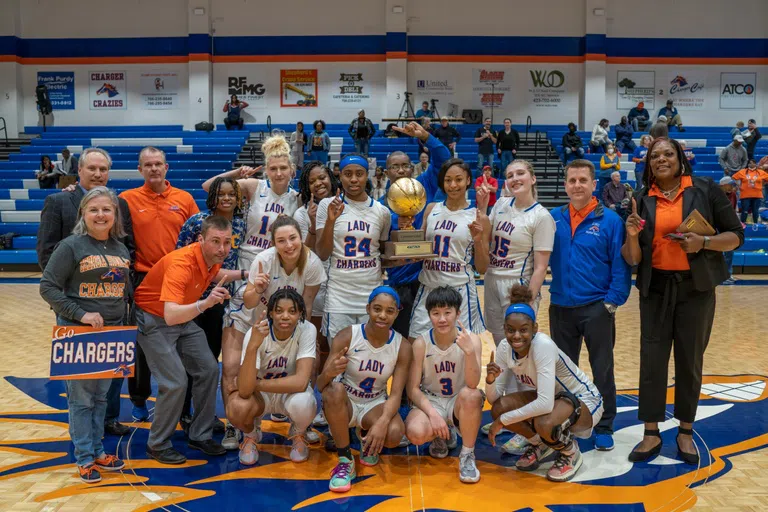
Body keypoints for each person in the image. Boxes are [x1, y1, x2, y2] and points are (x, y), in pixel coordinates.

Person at [621, 137, 743, 465]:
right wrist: (631, 235)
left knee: (689, 361)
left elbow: (736, 236)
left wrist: (703, 242)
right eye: (655, 155)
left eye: (668, 154)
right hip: (655, 289)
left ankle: (686, 431)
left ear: (679, 158)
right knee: (652, 359)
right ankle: (651, 432)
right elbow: (632, 258)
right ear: (648, 163)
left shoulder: (705, 190)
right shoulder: (641, 198)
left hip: (696, 290)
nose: (662, 159)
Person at [201, 134, 300, 450]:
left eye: (284, 167)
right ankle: (235, 423)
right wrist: (237, 173)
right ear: (267, 169)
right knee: (232, 361)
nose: (279, 172)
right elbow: (209, 188)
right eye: (273, 167)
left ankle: (286, 414)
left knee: (279, 354)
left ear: (292, 169)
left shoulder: (298, 198)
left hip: (282, 279)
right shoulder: (254, 187)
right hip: (246, 274)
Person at [36, 147, 134, 437]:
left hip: (112, 309)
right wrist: (70, 301)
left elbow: (126, 249)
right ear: (78, 171)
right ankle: (83, 445)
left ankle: (105, 425)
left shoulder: (119, 205)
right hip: (77, 309)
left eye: (103, 169)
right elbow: (46, 253)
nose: (97, 174)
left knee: (108, 382)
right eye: (91, 168)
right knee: (81, 388)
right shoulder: (59, 201)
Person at [133, 216, 232, 464]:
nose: (222, 249)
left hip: (182, 319)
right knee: (175, 382)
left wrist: (247, 273)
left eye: (227, 242)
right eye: (216, 242)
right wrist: (207, 303)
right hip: (155, 319)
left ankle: (199, 434)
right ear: (201, 240)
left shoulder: (211, 260)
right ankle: (157, 444)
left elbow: (221, 273)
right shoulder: (182, 263)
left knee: (209, 369)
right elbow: (171, 313)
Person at [548, 159, 631, 452]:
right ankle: (569, 420)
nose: (577, 185)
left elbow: (621, 267)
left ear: (594, 185)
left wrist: (611, 303)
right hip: (560, 307)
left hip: (597, 307)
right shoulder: (553, 218)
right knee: (564, 372)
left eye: (583, 180)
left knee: (602, 369)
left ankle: (605, 424)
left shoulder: (609, 220)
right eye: (572, 180)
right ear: (565, 185)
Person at [485, 284, 604, 483]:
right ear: (504, 329)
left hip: (584, 401)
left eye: (523, 330)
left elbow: (545, 404)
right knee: (500, 408)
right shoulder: (504, 347)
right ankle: (540, 444)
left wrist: (503, 422)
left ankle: (569, 452)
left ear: (534, 329)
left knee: (543, 422)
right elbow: (494, 399)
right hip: (554, 400)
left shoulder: (543, 345)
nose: (516, 336)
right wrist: (490, 381)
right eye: (510, 330)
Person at [120, 147, 199, 422]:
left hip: (178, 279)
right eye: (148, 164)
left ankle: (183, 404)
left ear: (167, 168)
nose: (154, 168)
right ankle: (139, 398)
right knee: (141, 343)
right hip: (143, 278)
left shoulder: (185, 199)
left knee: (180, 340)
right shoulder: (126, 200)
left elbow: (197, 238)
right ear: (140, 169)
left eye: (158, 164)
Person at [317, 287, 411, 493]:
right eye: (377, 309)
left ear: (397, 313)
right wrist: (329, 372)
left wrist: (382, 423)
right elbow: (320, 386)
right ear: (368, 309)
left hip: (374, 403)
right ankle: (345, 459)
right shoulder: (348, 336)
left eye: (389, 311)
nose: (382, 316)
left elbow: (396, 394)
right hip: (346, 402)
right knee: (333, 390)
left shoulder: (402, 346)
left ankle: (365, 433)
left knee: (394, 434)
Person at [175, 177, 247, 432]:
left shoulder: (240, 223)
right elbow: (179, 256)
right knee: (187, 361)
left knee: (209, 361)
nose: (226, 198)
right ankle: (182, 413)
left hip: (219, 302)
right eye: (221, 193)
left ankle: (202, 415)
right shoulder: (197, 222)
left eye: (231, 194)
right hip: (192, 301)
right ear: (212, 196)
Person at [378, 122, 451, 340]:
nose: (401, 170)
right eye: (395, 166)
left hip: (427, 278)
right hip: (399, 280)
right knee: (401, 339)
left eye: (405, 165)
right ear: (387, 171)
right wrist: (394, 221)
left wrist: (426, 136)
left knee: (428, 340)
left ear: (412, 168)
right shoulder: (380, 207)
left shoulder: (423, 185)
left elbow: (444, 160)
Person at [228, 289, 319, 465]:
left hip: (290, 394)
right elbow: (245, 391)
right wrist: (253, 346)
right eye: (279, 311)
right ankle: (251, 435)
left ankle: (298, 433)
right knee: (237, 406)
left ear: (300, 313)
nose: (285, 316)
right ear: (270, 313)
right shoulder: (255, 333)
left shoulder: (307, 329)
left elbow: (300, 383)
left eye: (292, 311)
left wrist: (257, 383)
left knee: (305, 403)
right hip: (262, 397)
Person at [405, 286, 484, 483]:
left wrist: (469, 352)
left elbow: (473, 383)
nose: (442, 319)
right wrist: (433, 415)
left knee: (472, 395)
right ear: (429, 315)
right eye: (436, 313)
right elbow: (412, 389)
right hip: (432, 399)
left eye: (448, 312)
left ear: (458, 313)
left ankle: (467, 455)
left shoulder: (471, 340)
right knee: (415, 433)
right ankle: (441, 435)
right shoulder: (421, 343)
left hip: (459, 400)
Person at [315, 154, 391, 341]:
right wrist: (331, 222)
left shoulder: (382, 212)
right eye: (347, 174)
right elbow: (322, 254)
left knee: (367, 354)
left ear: (367, 175)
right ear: (340, 177)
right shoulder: (327, 205)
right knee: (338, 358)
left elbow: (381, 252)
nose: (354, 179)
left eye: (359, 173)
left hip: (371, 296)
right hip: (338, 297)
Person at [409, 158, 488, 339]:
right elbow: (420, 248)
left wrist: (478, 240)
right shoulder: (431, 209)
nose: (453, 185)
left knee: (460, 349)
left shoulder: (478, 216)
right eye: (448, 180)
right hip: (429, 286)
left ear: (468, 180)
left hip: (459, 290)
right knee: (416, 342)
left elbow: (483, 268)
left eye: (458, 179)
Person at [294, 161, 339, 427]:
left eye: (322, 178)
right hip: (314, 286)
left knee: (336, 348)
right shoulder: (302, 213)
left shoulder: (344, 207)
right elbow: (302, 254)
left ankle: (334, 400)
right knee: (317, 349)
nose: (319, 183)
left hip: (343, 284)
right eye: (312, 181)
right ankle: (315, 404)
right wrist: (312, 225)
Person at [732, 159, 768, 224]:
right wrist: (739, 185)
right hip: (745, 194)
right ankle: (742, 224)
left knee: (755, 211)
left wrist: (763, 184)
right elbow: (734, 177)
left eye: (753, 163)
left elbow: (766, 179)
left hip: (757, 195)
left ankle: (755, 224)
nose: (752, 164)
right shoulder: (743, 171)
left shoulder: (760, 172)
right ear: (748, 164)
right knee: (744, 210)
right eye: (750, 163)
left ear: (755, 164)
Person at [718, 176, 738, 284]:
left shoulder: (733, 195)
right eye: (730, 185)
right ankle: (720, 276)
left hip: (729, 226)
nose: (732, 187)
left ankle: (728, 274)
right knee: (718, 252)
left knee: (730, 251)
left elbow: (733, 209)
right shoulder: (715, 194)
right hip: (717, 226)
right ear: (723, 185)